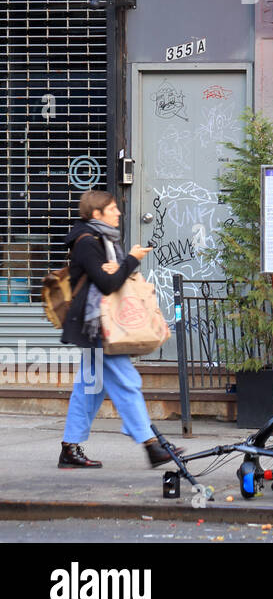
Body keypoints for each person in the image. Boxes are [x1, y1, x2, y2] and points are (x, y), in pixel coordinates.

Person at [57, 190, 172, 469]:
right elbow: (109, 285)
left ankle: (69, 449)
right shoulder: (87, 242)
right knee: (125, 381)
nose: (118, 213)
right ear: (96, 213)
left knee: (90, 387)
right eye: (112, 209)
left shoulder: (103, 240)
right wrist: (130, 260)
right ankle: (151, 445)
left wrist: (120, 265)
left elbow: (110, 277)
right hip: (97, 325)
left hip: (96, 324)